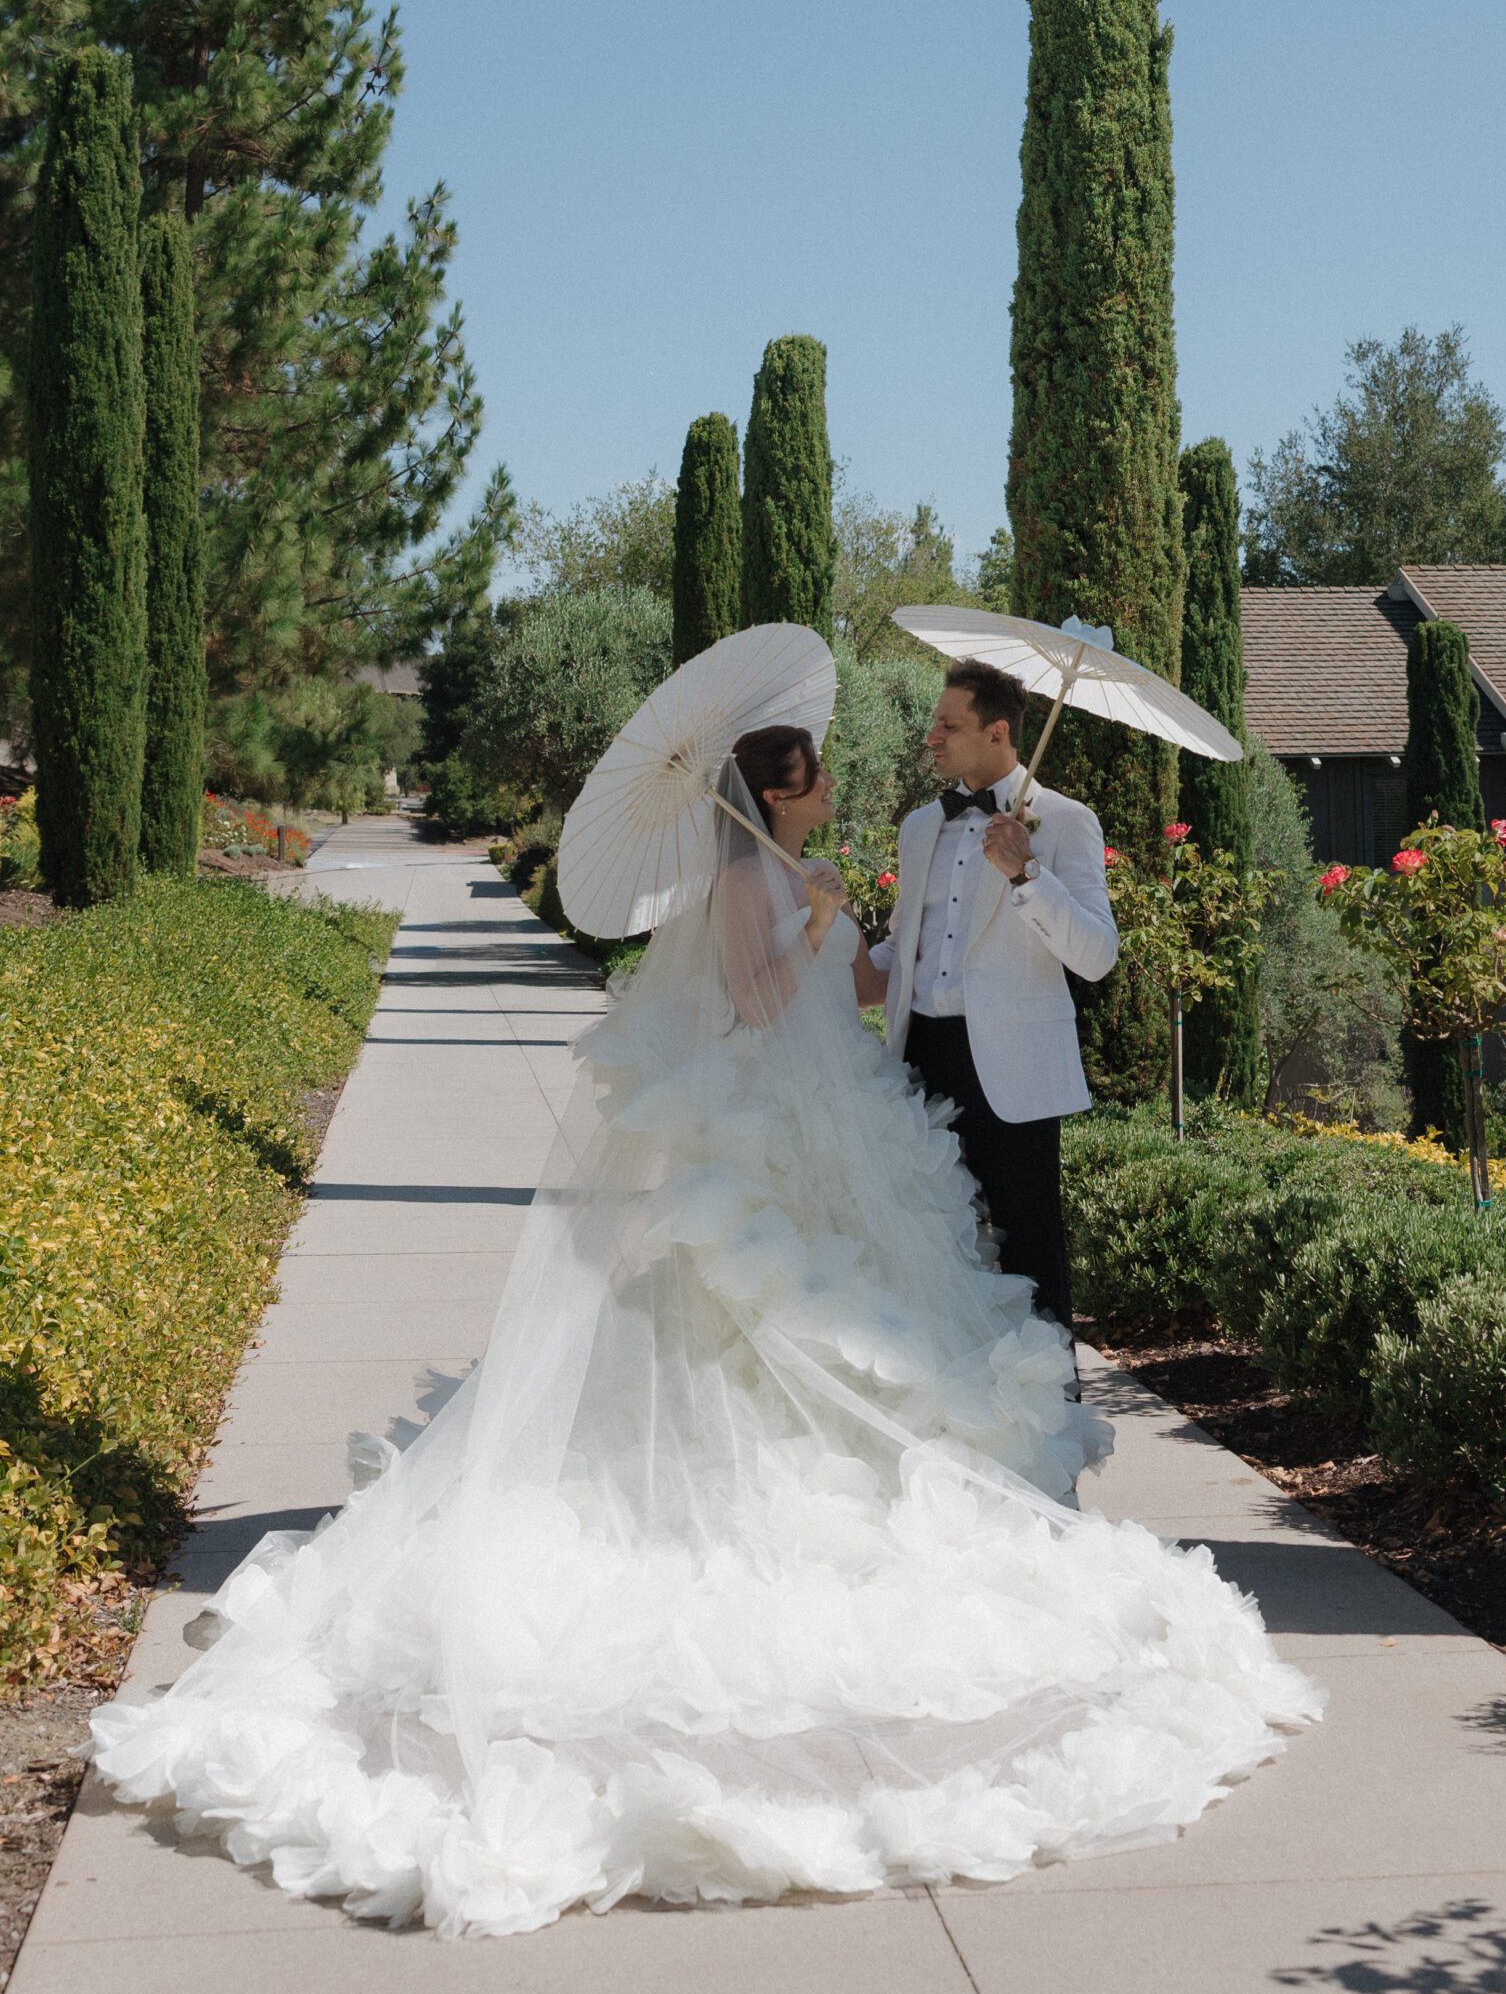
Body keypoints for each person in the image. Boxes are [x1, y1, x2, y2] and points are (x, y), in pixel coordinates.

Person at [91, 714, 1318, 1939]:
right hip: (777, 1117)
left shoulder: (797, 861)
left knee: (869, 1303)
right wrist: (823, 927)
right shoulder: (747, 873)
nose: (840, 779)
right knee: (769, 1310)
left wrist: (846, 932)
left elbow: (862, 983)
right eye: (817, 771)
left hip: (848, 1098)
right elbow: (749, 1001)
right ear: (781, 791)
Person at [871, 656, 1115, 1333]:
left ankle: (1052, 1420)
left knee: (1029, 1246)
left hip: (1012, 1072)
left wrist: (1027, 873)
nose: (932, 737)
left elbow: (1096, 956)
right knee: (929, 1241)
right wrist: (820, 947)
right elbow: (901, 950)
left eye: (948, 725)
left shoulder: (1065, 823)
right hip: (919, 1058)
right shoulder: (920, 826)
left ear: (999, 732)